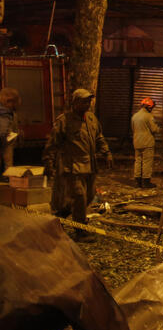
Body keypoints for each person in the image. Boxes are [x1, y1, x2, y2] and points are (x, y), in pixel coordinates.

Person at [42, 88, 113, 241]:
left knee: (88, 196)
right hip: (72, 166)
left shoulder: (92, 119)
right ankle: (80, 231)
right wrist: (48, 163)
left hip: (90, 165)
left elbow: (99, 137)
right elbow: (52, 143)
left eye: (89, 101)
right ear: (75, 103)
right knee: (79, 197)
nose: (87, 104)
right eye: (83, 101)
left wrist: (107, 153)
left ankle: (60, 216)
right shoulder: (64, 121)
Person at [131, 97, 159, 189]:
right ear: (149, 107)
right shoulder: (148, 116)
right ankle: (146, 182)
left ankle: (137, 181)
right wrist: (158, 128)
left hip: (137, 142)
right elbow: (154, 129)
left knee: (138, 161)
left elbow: (133, 129)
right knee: (147, 162)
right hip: (147, 143)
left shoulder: (134, 116)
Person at [0, 87, 21, 172]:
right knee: (8, 159)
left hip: (5, 140)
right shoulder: (5, 113)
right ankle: (9, 177)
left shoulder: (9, 112)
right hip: (5, 141)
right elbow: (3, 130)